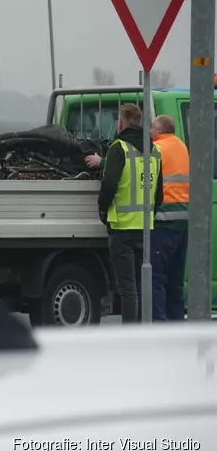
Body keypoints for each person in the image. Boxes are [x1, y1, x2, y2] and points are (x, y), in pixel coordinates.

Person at [97, 103, 163, 323]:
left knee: (127, 288)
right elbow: (159, 195)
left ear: (121, 123)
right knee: (143, 284)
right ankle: (143, 330)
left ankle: (131, 335)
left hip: (122, 229)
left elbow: (108, 185)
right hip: (145, 229)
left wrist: (103, 210)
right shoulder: (154, 150)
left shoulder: (119, 148)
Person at [150, 114, 189, 321]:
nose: (150, 132)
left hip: (163, 222)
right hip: (183, 223)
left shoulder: (158, 149)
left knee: (156, 280)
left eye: (152, 128)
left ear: (160, 131)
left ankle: (160, 329)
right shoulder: (182, 147)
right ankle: (176, 330)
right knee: (175, 283)